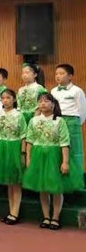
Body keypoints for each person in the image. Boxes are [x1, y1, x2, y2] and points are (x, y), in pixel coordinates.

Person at [23, 93, 81, 230]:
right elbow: (29, 142)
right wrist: (28, 159)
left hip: (54, 156)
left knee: (56, 188)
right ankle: (46, 217)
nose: (42, 104)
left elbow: (65, 143)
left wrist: (65, 162)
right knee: (42, 188)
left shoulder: (59, 121)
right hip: (38, 156)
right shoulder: (33, 121)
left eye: (46, 101)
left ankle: (55, 217)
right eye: (40, 101)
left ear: (53, 104)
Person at [0, 89, 27, 225]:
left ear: (14, 99)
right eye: (3, 98)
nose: (5, 100)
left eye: (8, 98)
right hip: (1, 147)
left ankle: (15, 213)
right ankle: (11, 211)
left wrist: (22, 152)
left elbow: (23, 135)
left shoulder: (18, 115)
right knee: (9, 183)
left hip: (14, 147)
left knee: (15, 182)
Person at [51, 63, 85, 191]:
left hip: (72, 121)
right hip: (57, 121)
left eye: (61, 73)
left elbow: (82, 111)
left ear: (70, 76)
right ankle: (59, 181)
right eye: (56, 74)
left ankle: (74, 183)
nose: (58, 76)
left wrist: (75, 124)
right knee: (58, 151)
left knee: (73, 152)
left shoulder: (77, 91)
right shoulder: (53, 91)